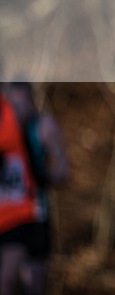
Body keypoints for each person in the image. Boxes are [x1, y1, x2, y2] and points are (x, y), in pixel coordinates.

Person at [0, 80, 69, 295]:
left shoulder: (42, 126)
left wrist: (43, 175)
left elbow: (63, 171)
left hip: (29, 214)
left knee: (27, 282)